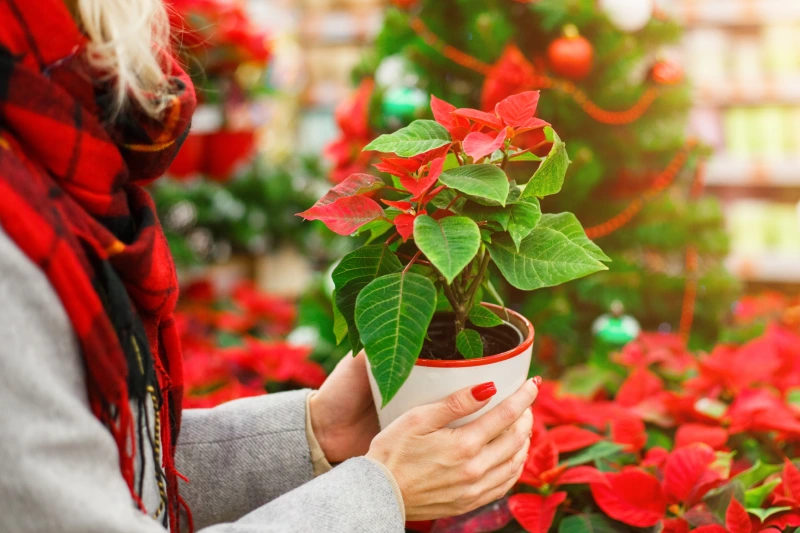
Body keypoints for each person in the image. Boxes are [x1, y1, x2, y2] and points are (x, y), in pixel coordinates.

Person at [0, 0, 538, 532]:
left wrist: (315, 434)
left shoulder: (54, 162)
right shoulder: (14, 244)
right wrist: (377, 493)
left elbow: (108, 467)